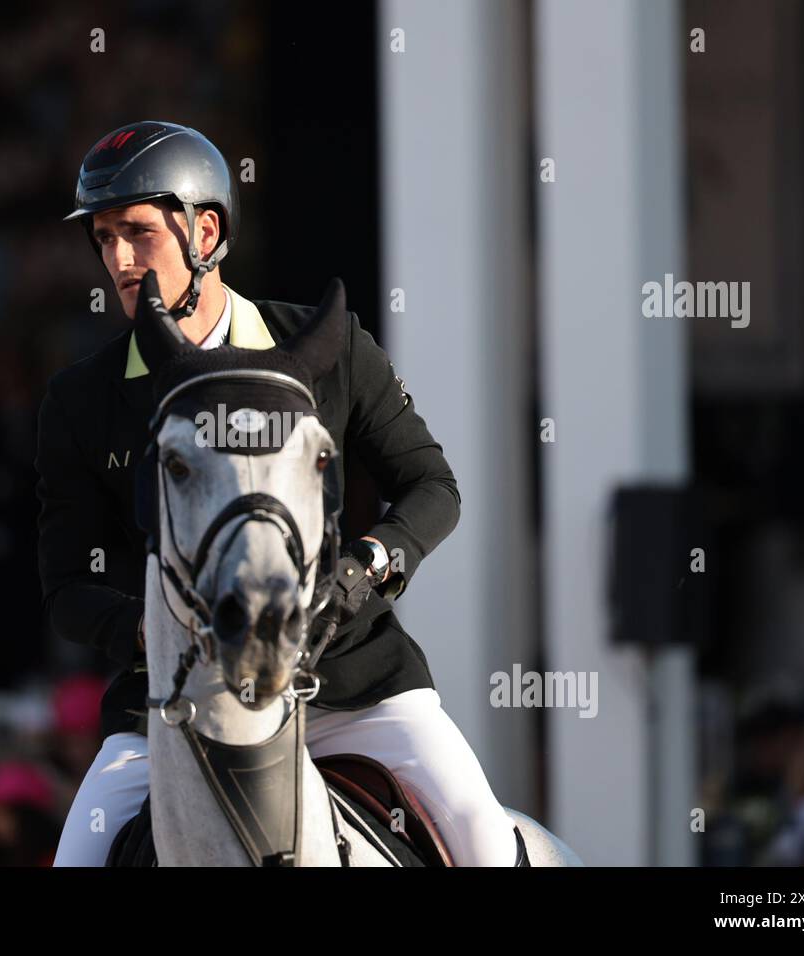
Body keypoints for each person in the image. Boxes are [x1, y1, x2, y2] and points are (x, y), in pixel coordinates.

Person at [36, 121, 519, 866]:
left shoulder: (332, 348)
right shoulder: (79, 400)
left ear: (205, 228)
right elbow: (68, 586)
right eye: (103, 239)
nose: (120, 260)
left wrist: (362, 569)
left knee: (485, 842)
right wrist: (154, 632)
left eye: (136, 232)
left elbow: (431, 486)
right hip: (174, 705)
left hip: (350, 686)